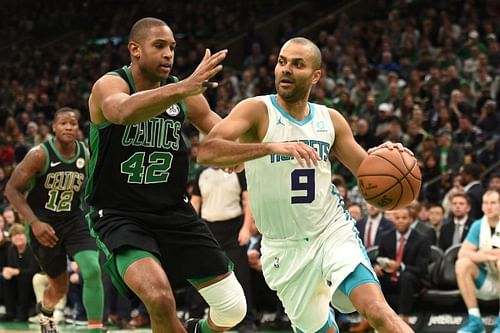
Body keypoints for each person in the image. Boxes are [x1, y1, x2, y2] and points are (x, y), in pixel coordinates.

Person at [197, 37, 413, 333]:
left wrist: (386, 160)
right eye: (282, 62)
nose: (286, 69)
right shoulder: (257, 110)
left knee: (377, 311)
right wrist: (270, 147)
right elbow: (208, 151)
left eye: (297, 64)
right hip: (284, 249)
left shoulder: (330, 120)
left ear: (315, 76)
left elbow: (370, 176)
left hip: (330, 231)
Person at [85, 17, 246, 333]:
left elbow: (220, 131)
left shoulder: (184, 95)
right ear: (135, 49)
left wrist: (240, 152)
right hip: (120, 214)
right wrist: (183, 86)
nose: (169, 54)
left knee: (232, 309)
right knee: (159, 299)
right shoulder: (111, 85)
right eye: (159, 46)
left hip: (174, 211)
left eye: (172, 47)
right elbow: (122, 111)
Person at [5, 108, 105, 333]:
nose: (69, 127)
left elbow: (91, 189)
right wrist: (34, 223)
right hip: (44, 224)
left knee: (91, 269)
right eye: (63, 123)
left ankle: (96, 329)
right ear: (54, 128)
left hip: (74, 220)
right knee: (59, 287)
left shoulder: (85, 154)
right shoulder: (39, 154)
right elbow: (11, 189)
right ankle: (46, 312)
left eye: (73, 123)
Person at [190, 168, 257, 332]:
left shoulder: (237, 170)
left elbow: (248, 201)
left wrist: (247, 228)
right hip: (207, 229)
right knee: (201, 274)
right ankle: (194, 315)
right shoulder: (201, 173)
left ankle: (247, 321)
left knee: (241, 275)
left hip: (234, 228)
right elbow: (195, 202)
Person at [455, 189, 500, 333]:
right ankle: (475, 321)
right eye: (485, 203)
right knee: (462, 264)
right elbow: (463, 253)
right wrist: (486, 255)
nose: (489, 206)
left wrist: (483, 252)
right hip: (487, 280)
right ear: (481, 206)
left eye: (493, 202)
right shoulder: (478, 225)